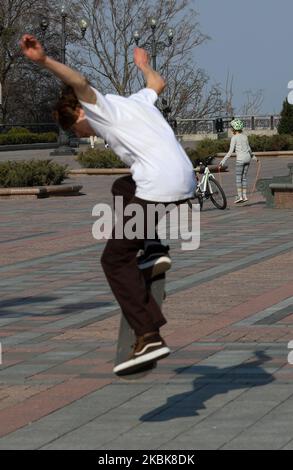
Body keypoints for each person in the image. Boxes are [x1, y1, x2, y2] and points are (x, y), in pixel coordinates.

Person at [20, 34, 196, 374]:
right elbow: (157, 83)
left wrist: (43, 61)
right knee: (122, 184)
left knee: (114, 260)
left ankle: (148, 335)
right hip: (182, 177)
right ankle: (154, 248)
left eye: (75, 128)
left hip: (160, 182)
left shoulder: (101, 107)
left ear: (77, 112)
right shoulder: (136, 101)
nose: (81, 135)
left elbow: (80, 82)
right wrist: (144, 66)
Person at [219, 119, 258, 203]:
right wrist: (254, 157)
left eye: (231, 127)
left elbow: (230, 151)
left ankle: (239, 196)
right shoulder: (245, 136)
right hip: (248, 159)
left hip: (240, 160)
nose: (231, 129)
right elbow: (249, 149)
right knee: (244, 178)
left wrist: (223, 161)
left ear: (233, 129)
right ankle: (245, 196)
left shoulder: (234, 138)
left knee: (238, 178)